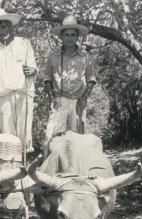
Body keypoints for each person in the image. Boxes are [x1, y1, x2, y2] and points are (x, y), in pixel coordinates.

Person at [0, 8, 37, 153]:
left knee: (24, 134)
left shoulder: (24, 43)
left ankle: (23, 169)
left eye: (4, 26)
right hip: (3, 95)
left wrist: (31, 70)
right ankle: (10, 171)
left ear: (10, 26)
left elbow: (33, 67)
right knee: (7, 137)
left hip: (23, 93)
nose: (2, 30)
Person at [43, 15, 96, 144]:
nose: (70, 38)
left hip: (77, 101)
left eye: (73, 35)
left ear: (78, 36)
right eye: (66, 35)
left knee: (77, 138)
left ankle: (77, 164)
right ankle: (48, 163)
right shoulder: (53, 56)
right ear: (61, 36)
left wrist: (83, 100)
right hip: (59, 100)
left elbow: (91, 79)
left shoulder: (85, 56)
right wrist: (52, 99)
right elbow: (47, 78)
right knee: (51, 135)